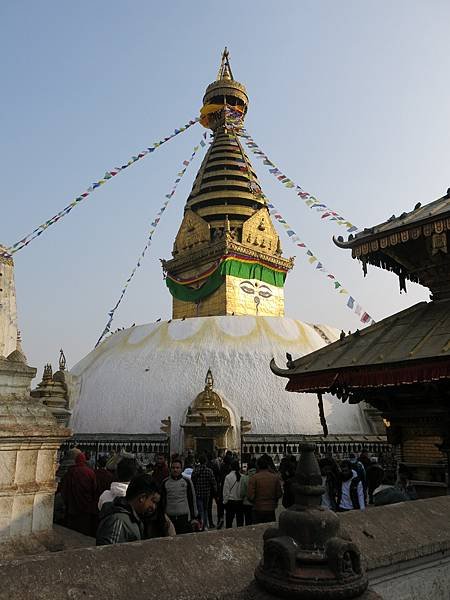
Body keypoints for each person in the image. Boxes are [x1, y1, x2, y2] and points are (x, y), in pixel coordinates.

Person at [96, 474, 160, 545]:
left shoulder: (132, 517)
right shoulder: (119, 521)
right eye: (153, 501)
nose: (154, 506)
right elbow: (108, 553)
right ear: (142, 498)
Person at [61, 450, 98, 536]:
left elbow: (64, 489)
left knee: (71, 532)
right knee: (84, 531)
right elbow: (94, 489)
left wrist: (67, 503)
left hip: (72, 507)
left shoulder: (70, 472)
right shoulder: (90, 472)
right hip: (86, 506)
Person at [161, 458, 199, 534]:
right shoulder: (165, 482)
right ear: (170, 469)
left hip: (184, 518)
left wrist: (194, 517)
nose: (175, 470)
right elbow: (162, 501)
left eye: (177, 468)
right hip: (170, 518)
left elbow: (192, 499)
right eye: (173, 468)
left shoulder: (187, 481)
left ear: (181, 469)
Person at [247, 454, 282, 523]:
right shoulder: (275, 478)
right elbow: (279, 494)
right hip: (271, 508)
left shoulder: (254, 478)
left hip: (257, 508)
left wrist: (256, 501)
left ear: (258, 466)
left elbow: (250, 496)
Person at [191, 454, 217, 531]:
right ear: (205, 462)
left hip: (198, 493)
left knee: (200, 510)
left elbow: (192, 481)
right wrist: (215, 491)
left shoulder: (195, 470)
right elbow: (213, 482)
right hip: (206, 493)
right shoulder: (209, 471)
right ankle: (205, 525)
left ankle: (201, 525)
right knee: (205, 509)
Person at [223, 459, 244, 528]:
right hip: (240, 502)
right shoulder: (242, 477)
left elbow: (226, 491)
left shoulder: (228, 477)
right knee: (240, 523)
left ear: (231, 467)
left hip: (230, 502)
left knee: (229, 523)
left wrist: (225, 502)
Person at [217, 450, 233, 529]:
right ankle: (227, 522)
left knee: (221, 505)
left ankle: (221, 518)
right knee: (228, 508)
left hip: (222, 487)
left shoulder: (222, 467)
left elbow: (219, 477)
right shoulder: (231, 469)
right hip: (229, 488)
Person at [240, 457, 257, 525]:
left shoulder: (244, 477)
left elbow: (242, 492)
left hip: (246, 503)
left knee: (248, 521)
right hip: (257, 502)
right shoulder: (258, 476)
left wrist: (242, 498)